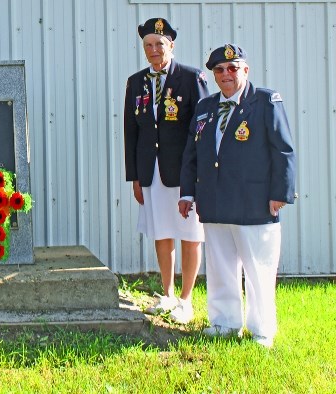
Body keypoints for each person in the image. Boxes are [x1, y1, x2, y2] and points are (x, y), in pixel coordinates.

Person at [179, 44, 296, 347]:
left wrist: (280, 192)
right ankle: (224, 322)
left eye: (233, 68)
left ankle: (262, 330)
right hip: (215, 202)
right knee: (219, 268)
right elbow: (192, 154)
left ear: (245, 70)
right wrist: (188, 193)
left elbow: (283, 150)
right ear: (214, 75)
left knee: (259, 271)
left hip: (255, 203)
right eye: (220, 69)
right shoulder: (205, 107)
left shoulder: (266, 101)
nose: (226, 74)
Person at [123, 18, 208, 323]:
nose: (154, 50)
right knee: (161, 230)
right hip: (151, 170)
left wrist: (197, 171)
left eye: (159, 44)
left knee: (189, 232)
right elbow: (130, 131)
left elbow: (202, 128)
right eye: (148, 45)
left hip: (184, 170)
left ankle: (186, 300)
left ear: (171, 45)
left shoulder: (191, 77)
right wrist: (134, 176)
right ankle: (168, 294)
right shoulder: (136, 82)